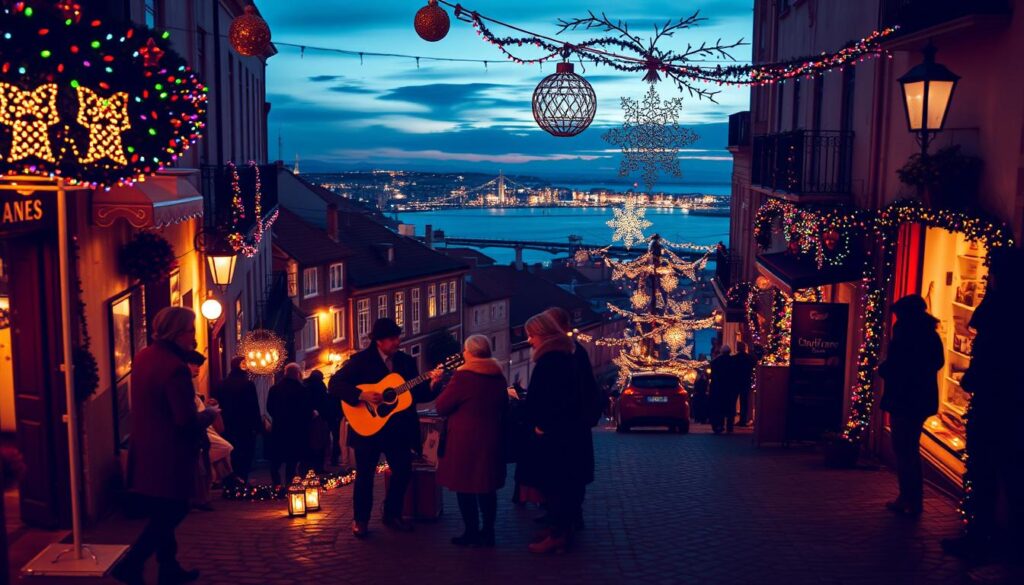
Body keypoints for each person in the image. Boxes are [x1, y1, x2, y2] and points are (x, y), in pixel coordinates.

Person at [113, 307, 217, 585]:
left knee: (163, 510)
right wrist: (209, 414)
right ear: (178, 333)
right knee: (174, 510)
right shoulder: (174, 369)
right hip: (169, 454)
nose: (194, 339)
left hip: (146, 448)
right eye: (191, 332)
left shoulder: (145, 356)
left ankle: (168, 568)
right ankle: (130, 564)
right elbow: (184, 420)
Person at [943, 247, 1024, 565]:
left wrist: (973, 378)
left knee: (987, 475)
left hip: (997, 409)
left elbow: (990, 352)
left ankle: (982, 539)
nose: (989, 280)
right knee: (1003, 478)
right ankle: (993, 540)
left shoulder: (1002, 311)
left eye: (992, 275)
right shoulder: (1005, 308)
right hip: (1005, 409)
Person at [329, 318, 442, 537]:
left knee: (403, 471)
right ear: (379, 341)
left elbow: (415, 396)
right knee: (365, 477)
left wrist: (432, 385)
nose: (397, 342)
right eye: (392, 339)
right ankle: (360, 521)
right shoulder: (360, 361)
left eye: (398, 338)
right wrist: (361, 395)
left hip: (397, 431)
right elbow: (335, 384)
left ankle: (392, 514)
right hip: (366, 430)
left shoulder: (406, 362)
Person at [521, 312, 593, 554]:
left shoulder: (551, 360)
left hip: (555, 436)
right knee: (563, 485)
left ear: (542, 334)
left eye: (531, 336)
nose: (529, 341)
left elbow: (547, 399)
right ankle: (559, 528)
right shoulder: (567, 355)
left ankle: (558, 534)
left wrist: (541, 425)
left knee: (557, 484)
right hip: (568, 434)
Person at [434, 335, 509, 547]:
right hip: (492, 437)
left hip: (465, 440)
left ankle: (471, 531)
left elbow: (442, 406)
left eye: (464, 350)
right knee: (487, 487)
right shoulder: (498, 376)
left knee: (464, 486)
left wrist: (442, 386)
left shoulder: (464, 377)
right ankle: (489, 531)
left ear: (470, 353)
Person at [878, 295, 943, 516]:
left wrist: (884, 369)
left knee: (904, 449)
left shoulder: (905, 333)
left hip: (904, 399)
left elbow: (897, 366)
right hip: (921, 399)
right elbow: (937, 362)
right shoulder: (930, 334)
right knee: (910, 448)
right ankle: (912, 499)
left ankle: (909, 498)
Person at [543, 306, 597, 530]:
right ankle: (568, 515)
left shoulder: (568, 352)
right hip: (577, 423)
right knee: (573, 472)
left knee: (567, 474)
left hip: (569, 424)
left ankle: (566, 520)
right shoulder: (577, 351)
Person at [212, 357, 262, 482]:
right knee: (244, 455)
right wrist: (258, 426)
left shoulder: (221, 384)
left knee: (232, 455)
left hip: (228, 425)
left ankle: (231, 482)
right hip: (245, 426)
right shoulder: (248, 384)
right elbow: (253, 407)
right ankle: (242, 480)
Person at [266, 363, 314, 487]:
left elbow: (269, 408)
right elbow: (307, 410)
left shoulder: (274, 389)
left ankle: (276, 483)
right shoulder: (302, 390)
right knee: (292, 460)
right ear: (297, 374)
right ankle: (289, 484)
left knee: (276, 459)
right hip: (296, 430)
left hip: (279, 428)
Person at [304, 370, 332, 473]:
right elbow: (324, 402)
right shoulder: (320, 386)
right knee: (320, 443)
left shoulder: (305, 385)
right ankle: (318, 467)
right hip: (320, 419)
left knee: (310, 443)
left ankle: (308, 467)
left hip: (308, 419)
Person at [708, 345, 734, 434]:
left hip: (717, 388)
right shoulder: (733, 361)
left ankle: (719, 425)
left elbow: (712, 376)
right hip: (729, 388)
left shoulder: (715, 361)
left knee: (718, 407)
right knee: (729, 407)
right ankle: (730, 427)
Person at [733, 342, 757, 427]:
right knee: (744, 402)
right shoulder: (749, 358)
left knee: (733, 401)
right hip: (746, 382)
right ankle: (743, 420)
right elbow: (754, 364)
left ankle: (731, 420)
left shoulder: (734, 358)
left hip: (736, 382)